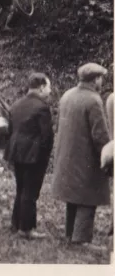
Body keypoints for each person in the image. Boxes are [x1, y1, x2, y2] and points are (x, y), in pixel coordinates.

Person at [52, 63, 111, 250]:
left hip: (67, 156)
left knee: (73, 196)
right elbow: (100, 135)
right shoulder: (93, 100)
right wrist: (109, 155)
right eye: (100, 78)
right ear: (95, 80)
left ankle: (70, 234)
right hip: (86, 158)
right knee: (88, 197)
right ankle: (81, 240)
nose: (102, 81)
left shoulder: (67, 95)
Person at [6, 73, 54, 240]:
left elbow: (10, 130)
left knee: (21, 189)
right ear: (41, 87)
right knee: (31, 192)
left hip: (16, 152)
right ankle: (26, 229)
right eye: (48, 87)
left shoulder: (16, 104)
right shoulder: (42, 107)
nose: (50, 90)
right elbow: (47, 136)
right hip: (34, 155)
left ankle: (16, 223)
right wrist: (45, 156)